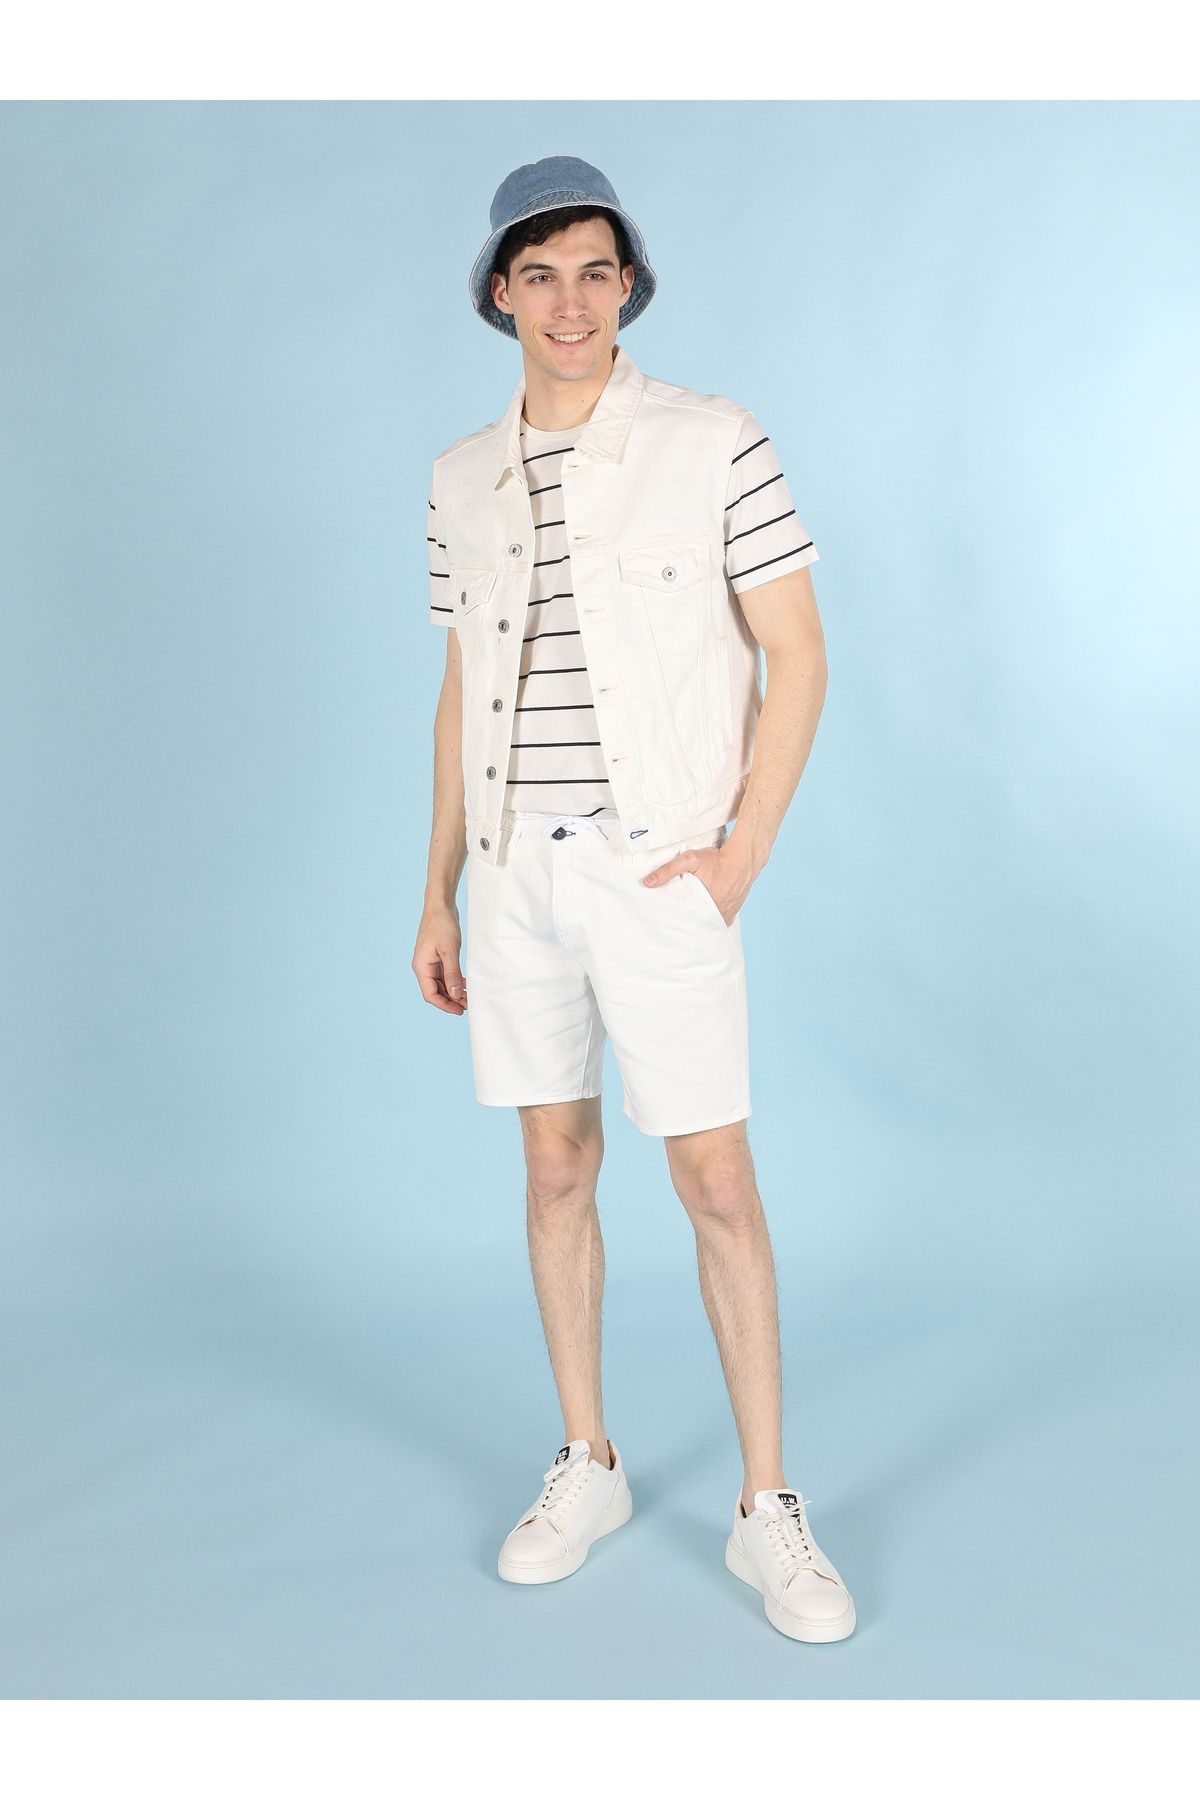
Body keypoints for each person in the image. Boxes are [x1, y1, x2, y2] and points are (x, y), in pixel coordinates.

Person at [413, 156, 855, 1644]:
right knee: (555, 1167)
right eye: (539, 274)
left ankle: (768, 1504)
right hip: (513, 876)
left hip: (659, 865)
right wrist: (437, 892)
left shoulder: (713, 441)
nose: (570, 302)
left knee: (715, 1180)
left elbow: (798, 653)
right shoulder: (458, 478)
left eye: (595, 272)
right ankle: (587, 1461)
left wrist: (740, 855)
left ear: (629, 287)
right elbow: (462, 688)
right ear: (500, 293)